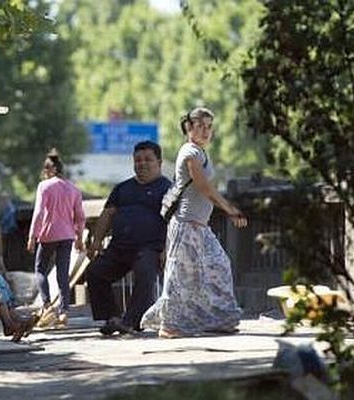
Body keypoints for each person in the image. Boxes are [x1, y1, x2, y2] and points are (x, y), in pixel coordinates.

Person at [141, 107, 247, 338]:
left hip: (200, 225)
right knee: (180, 276)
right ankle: (170, 324)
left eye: (209, 126)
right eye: (200, 126)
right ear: (189, 128)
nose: (206, 131)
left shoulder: (201, 151)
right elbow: (203, 186)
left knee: (218, 266)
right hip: (185, 224)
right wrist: (229, 209)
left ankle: (220, 319)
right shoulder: (190, 152)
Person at [86, 141, 171, 335]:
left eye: (147, 159)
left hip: (149, 248)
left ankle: (132, 321)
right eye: (138, 160)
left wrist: (167, 249)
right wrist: (97, 241)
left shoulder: (167, 188)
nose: (142, 164)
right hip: (119, 247)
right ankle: (112, 317)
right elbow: (107, 214)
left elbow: (173, 222)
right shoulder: (122, 189)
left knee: (145, 273)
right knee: (95, 271)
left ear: (159, 161)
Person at [27, 149, 86, 326]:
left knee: (40, 270)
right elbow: (80, 216)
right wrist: (79, 237)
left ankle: (47, 307)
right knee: (63, 273)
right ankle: (64, 312)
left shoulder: (44, 186)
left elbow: (38, 213)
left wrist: (32, 236)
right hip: (67, 236)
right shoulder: (74, 189)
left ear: (48, 171)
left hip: (47, 234)